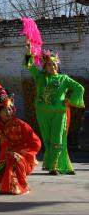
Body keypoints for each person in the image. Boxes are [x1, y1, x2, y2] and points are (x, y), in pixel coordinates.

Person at [24, 44, 85, 175]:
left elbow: (80, 88)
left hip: (59, 113)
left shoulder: (64, 79)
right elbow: (30, 66)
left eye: (53, 64)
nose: (51, 67)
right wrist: (29, 52)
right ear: (44, 66)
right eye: (48, 65)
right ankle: (51, 165)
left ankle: (55, 166)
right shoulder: (40, 77)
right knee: (47, 139)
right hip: (42, 113)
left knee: (57, 139)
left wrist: (71, 100)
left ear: (57, 65)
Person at [0, 89, 42, 195]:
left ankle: (20, 186)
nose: (8, 112)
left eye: (9, 109)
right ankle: (9, 186)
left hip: (24, 158)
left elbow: (36, 143)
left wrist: (19, 153)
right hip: (5, 159)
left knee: (13, 160)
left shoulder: (21, 124)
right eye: (4, 110)